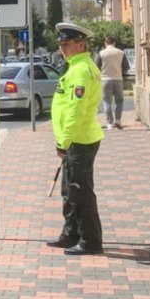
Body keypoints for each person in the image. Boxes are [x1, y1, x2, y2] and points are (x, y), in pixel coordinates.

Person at [46, 22, 105, 256]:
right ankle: (71, 234)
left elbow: (76, 110)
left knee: (80, 193)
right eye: (60, 45)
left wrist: (64, 141)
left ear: (81, 44)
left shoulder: (81, 69)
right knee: (70, 191)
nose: (62, 49)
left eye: (67, 44)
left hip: (79, 140)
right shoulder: (75, 66)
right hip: (75, 139)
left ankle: (91, 241)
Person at [95, 36, 129, 130]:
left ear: (105, 43)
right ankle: (118, 120)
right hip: (118, 79)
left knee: (107, 102)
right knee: (119, 101)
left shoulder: (101, 53)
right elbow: (126, 67)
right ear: (114, 43)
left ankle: (110, 123)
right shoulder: (121, 53)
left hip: (105, 80)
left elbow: (96, 67)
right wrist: (120, 72)